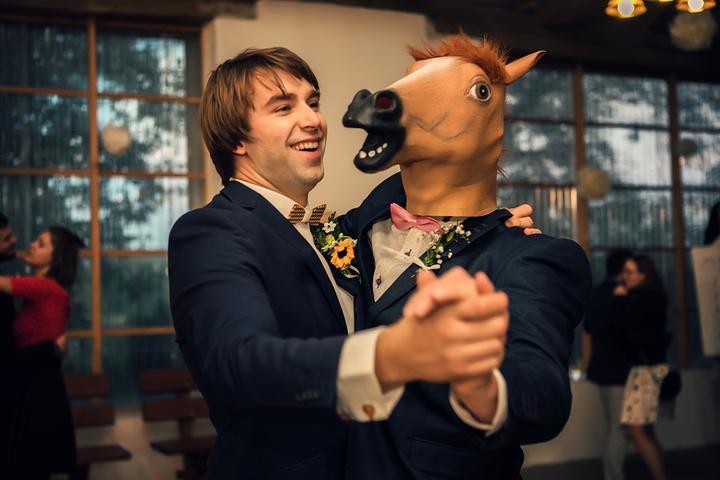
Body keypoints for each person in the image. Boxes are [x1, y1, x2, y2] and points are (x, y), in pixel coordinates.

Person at [168, 47, 534, 479]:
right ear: (237, 140)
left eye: (313, 102)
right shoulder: (212, 230)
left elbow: (439, 177)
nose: (313, 119)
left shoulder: (337, 227)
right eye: (283, 107)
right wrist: (388, 356)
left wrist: (490, 224)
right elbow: (239, 363)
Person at [337, 33, 592, 478]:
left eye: (478, 91)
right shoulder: (362, 224)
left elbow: (543, 392)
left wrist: (483, 386)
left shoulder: (530, 258)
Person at [0, 226, 84, 479]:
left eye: (41, 243)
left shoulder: (46, 288)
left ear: (56, 258)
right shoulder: (42, 292)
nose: (32, 245)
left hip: (39, 393)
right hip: (33, 386)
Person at [611, 255, 670, 480]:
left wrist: (619, 300)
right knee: (646, 428)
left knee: (633, 429)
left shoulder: (642, 298)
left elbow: (622, 328)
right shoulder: (654, 295)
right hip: (651, 366)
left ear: (643, 275)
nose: (624, 277)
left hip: (644, 370)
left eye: (629, 272)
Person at [584, 248, 634, 480]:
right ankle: (613, 475)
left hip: (599, 367)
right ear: (623, 269)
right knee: (619, 428)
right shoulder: (622, 294)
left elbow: (588, 327)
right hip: (618, 370)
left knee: (614, 425)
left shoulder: (596, 291)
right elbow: (624, 331)